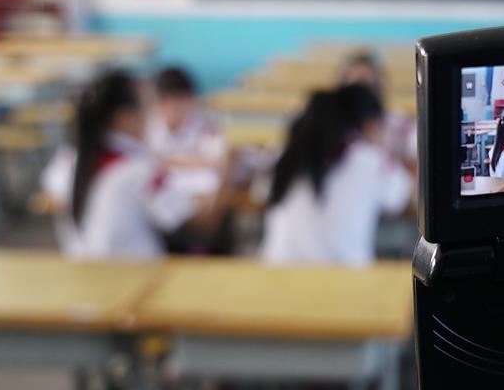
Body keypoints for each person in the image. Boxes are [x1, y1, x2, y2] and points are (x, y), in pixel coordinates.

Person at [71, 70, 235, 259]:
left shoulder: (79, 158)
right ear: (125, 117)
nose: (154, 115)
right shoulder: (138, 170)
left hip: (92, 265)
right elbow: (204, 226)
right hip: (134, 270)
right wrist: (228, 168)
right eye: (149, 106)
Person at [259, 84, 412, 266]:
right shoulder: (370, 161)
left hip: (275, 273)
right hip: (345, 277)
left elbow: (260, 192)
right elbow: (401, 197)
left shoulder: (290, 155)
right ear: (371, 125)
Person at [146, 67, 226, 169]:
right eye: (171, 101)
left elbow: (215, 161)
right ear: (159, 102)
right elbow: (146, 159)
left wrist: (167, 161)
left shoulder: (207, 124)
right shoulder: (150, 125)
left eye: (182, 99)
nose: (177, 107)